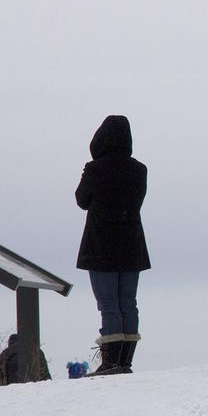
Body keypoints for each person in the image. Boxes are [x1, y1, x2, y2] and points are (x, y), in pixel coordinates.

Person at [76, 115, 150, 375]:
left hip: (101, 245)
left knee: (108, 303)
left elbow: (81, 200)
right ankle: (125, 361)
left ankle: (111, 362)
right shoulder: (139, 170)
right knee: (128, 301)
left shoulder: (95, 169)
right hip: (132, 244)